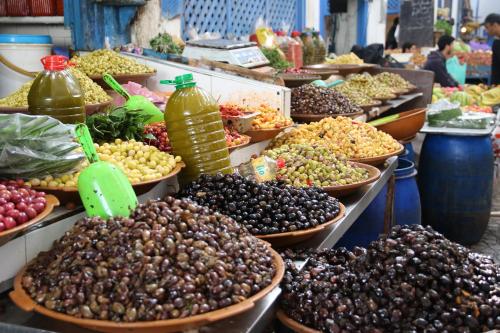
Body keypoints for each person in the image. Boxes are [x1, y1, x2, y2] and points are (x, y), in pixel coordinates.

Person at [482, 13, 500, 85]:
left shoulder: (497, 43)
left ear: (495, 25)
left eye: (487, 27)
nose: (487, 30)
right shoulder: (496, 42)